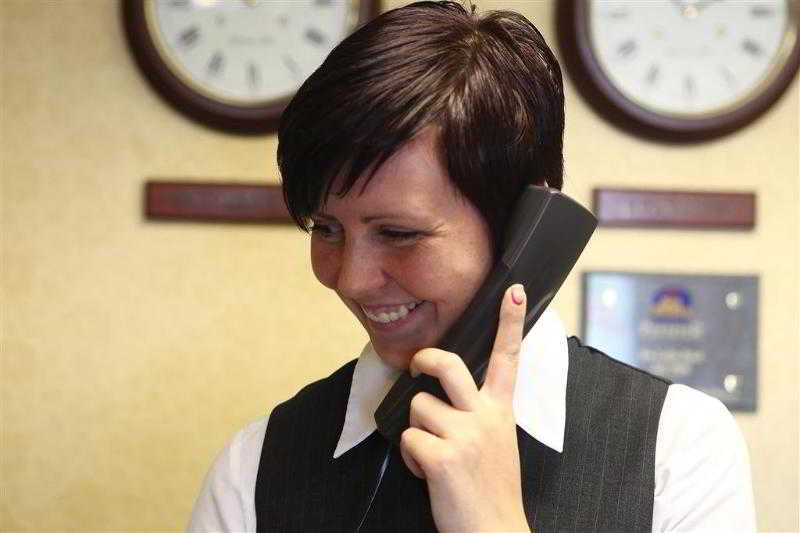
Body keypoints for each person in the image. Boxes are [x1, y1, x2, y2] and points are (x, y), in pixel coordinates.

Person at [188, 2, 756, 531]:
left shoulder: (679, 449)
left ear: (523, 223)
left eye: (399, 234)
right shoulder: (254, 467)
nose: (351, 279)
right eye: (326, 228)